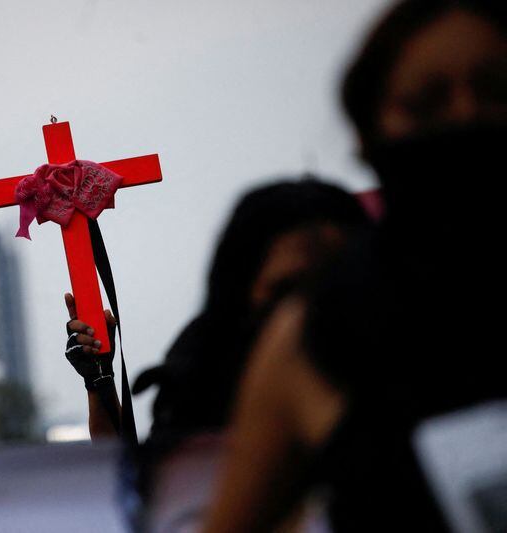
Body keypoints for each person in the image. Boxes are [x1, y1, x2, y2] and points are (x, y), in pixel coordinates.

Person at [204, 1, 507, 532]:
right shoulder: (312, 338)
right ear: (369, 134)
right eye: (426, 103)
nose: (466, 118)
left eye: (496, 91)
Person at [64, 178, 371, 530]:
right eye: (286, 290)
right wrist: (99, 379)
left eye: (335, 281)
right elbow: (129, 494)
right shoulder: (201, 376)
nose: (306, 313)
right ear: (241, 290)